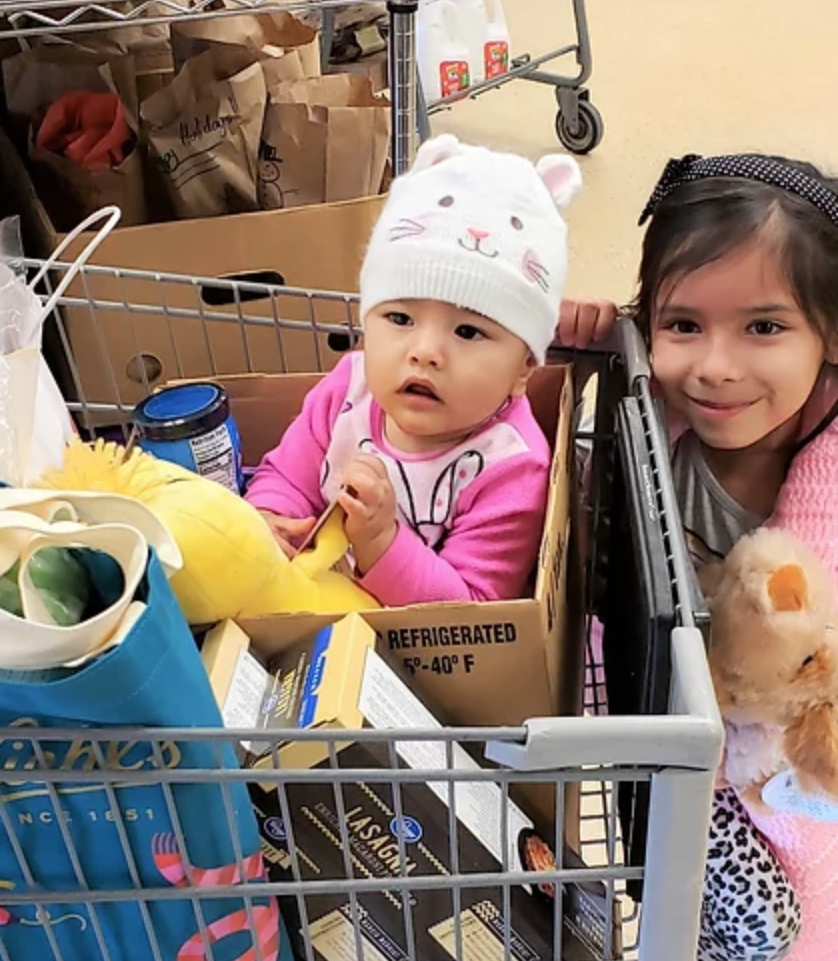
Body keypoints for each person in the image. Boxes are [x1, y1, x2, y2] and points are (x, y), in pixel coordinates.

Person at [559, 153, 838, 961]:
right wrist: (577, 349)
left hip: (780, 772)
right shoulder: (662, 423)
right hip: (677, 742)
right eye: (683, 325)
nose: (715, 367)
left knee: (756, 932)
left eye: (764, 327)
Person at [246, 134, 581, 605]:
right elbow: (286, 476)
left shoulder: (511, 466)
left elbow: (474, 610)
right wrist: (266, 518)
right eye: (400, 319)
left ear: (524, 368)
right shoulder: (349, 390)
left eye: (467, 332)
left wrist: (382, 540)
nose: (425, 352)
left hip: (422, 661)